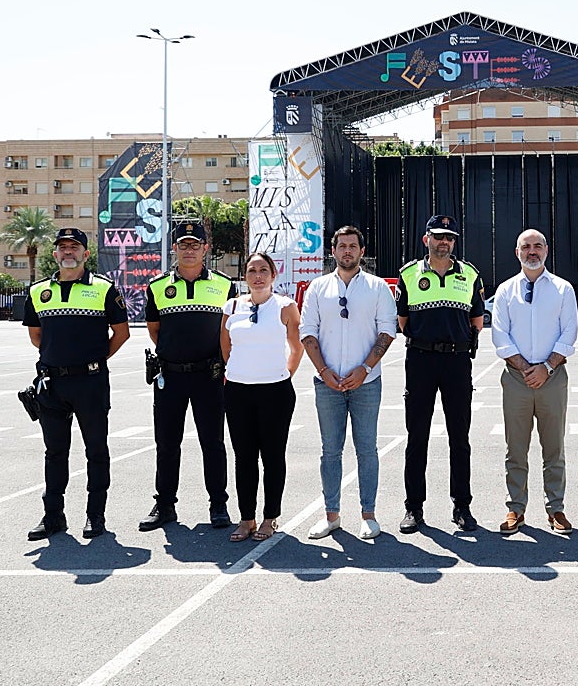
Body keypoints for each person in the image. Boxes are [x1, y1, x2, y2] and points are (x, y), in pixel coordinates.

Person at [24, 228, 130, 540]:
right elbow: (36, 336)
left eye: (74, 247)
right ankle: (53, 516)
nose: (68, 252)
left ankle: (95, 515)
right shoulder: (39, 292)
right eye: (63, 247)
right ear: (55, 254)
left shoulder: (104, 289)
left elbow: (122, 333)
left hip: (90, 382)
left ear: (86, 253)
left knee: (96, 450)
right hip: (52, 385)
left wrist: (94, 359)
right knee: (55, 452)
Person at [300, 226, 397, 540]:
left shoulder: (377, 287)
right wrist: (324, 371)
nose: (347, 251)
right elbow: (307, 332)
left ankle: (368, 515)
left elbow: (387, 332)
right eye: (341, 246)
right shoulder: (317, 288)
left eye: (352, 246)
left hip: (366, 383)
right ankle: (332, 515)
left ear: (361, 251)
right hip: (327, 383)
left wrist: (365, 369)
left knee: (367, 450)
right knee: (330, 451)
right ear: (333, 251)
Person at [139, 221, 236, 532]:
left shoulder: (224, 286)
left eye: (195, 244)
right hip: (170, 377)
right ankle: (165, 504)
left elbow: (229, 332)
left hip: (209, 376)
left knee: (213, 443)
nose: (189, 250)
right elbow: (155, 330)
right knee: (167, 444)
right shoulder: (157, 287)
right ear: (174, 248)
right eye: (183, 244)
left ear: (205, 248)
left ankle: (218, 504)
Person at [397, 215, 485, 534]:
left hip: (457, 362)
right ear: (426, 239)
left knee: (459, 438)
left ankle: (462, 506)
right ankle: (413, 507)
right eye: (438, 236)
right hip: (421, 360)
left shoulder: (470, 274)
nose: (444, 242)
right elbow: (403, 321)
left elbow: (477, 321)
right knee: (417, 437)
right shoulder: (409, 274)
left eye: (449, 237)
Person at [491, 229, 578, 535]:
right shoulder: (505, 291)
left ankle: (556, 508)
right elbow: (500, 335)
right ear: (517, 252)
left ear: (546, 250)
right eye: (526, 246)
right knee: (515, 449)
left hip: (552, 378)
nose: (532, 251)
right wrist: (527, 368)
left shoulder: (563, 289)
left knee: (554, 448)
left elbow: (570, 332)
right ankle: (515, 508)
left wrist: (547, 367)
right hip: (516, 379)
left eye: (537, 246)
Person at [220, 252, 304, 542]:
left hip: (275, 392)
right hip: (238, 391)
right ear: (245, 276)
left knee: (272, 456)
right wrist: (242, 371)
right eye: (252, 270)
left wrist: (284, 374)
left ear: (273, 275)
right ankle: (247, 519)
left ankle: (270, 518)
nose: (258, 276)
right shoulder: (232, 307)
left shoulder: (285, 307)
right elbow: (226, 348)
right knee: (243, 457)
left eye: (263, 270)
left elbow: (296, 347)